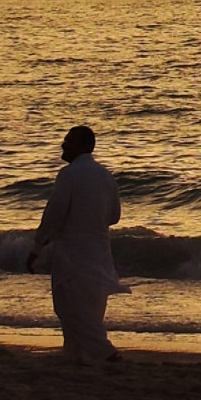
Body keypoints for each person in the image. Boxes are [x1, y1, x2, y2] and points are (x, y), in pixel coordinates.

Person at [31, 125, 122, 362]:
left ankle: (106, 352)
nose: (63, 144)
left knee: (69, 309)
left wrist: (37, 245)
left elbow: (54, 213)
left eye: (69, 141)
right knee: (90, 308)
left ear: (82, 146)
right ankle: (75, 356)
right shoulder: (105, 175)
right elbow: (114, 216)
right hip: (100, 252)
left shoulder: (69, 175)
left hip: (73, 253)